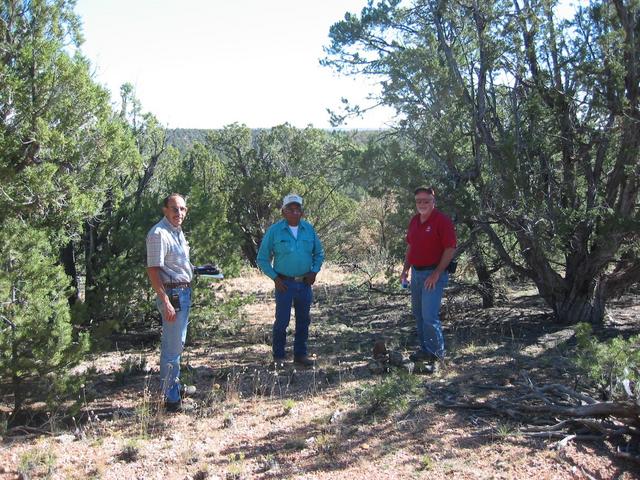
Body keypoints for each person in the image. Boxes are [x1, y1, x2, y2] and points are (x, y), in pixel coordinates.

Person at [257, 194, 325, 368]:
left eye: (298, 209)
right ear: (283, 211)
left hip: (304, 283)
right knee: (282, 321)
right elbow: (262, 258)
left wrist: (314, 271)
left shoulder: (309, 229)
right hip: (284, 284)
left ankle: (300, 355)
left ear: (302, 212)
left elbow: (319, 253)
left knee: (303, 320)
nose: (295, 212)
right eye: (290, 209)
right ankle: (278, 357)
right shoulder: (275, 231)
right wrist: (275, 278)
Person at [146, 193, 196, 411]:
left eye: (183, 209)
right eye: (175, 209)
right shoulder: (159, 233)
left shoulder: (176, 232)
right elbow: (153, 270)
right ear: (165, 209)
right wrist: (165, 300)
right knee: (172, 348)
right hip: (173, 295)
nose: (179, 213)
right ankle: (171, 399)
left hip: (183, 293)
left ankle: (174, 386)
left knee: (178, 343)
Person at [400, 187, 457, 365]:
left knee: (429, 316)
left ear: (433, 201)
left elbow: (450, 249)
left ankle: (436, 355)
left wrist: (436, 273)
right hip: (416, 273)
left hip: (434, 274)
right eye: (419, 201)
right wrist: (405, 269)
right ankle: (425, 350)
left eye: (426, 200)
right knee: (418, 314)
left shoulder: (442, 221)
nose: (422, 204)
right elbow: (410, 246)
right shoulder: (415, 221)